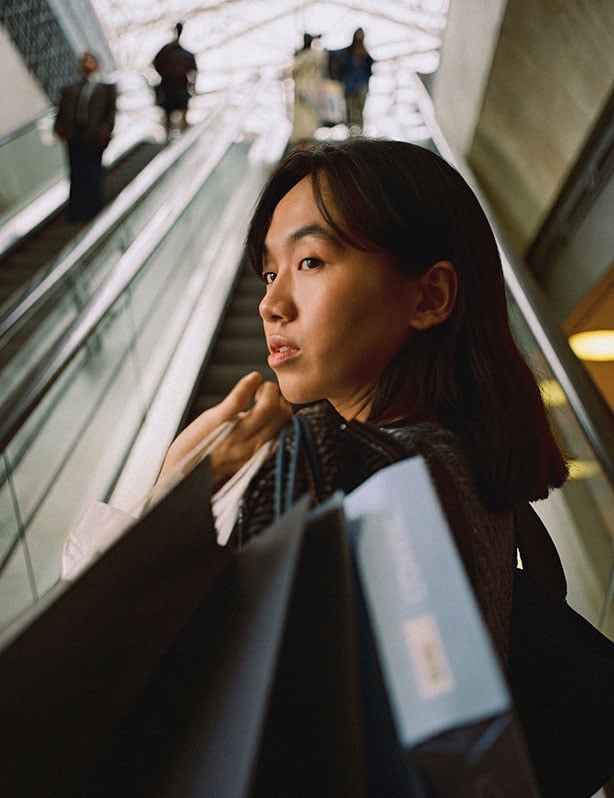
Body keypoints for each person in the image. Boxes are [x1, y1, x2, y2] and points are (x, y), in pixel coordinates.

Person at [158, 138, 568, 665]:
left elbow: (137, 698)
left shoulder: (338, 478)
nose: (270, 305)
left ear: (429, 297)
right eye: (268, 272)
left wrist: (170, 499)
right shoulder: (465, 471)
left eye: (310, 261)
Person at [54, 52, 116, 222]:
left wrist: (105, 130)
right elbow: (61, 112)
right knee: (76, 174)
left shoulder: (106, 88)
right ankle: (76, 212)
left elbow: (110, 112)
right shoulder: (71, 88)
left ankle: (93, 211)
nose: (86, 64)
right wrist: (60, 128)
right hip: (75, 136)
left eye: (90, 61)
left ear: (97, 64)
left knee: (93, 173)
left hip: (94, 137)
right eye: (84, 61)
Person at [153, 22, 197, 139]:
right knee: (175, 115)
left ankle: (174, 138)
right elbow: (193, 72)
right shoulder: (180, 53)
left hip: (172, 87)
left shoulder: (167, 52)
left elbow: (156, 63)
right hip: (174, 87)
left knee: (173, 115)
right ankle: (176, 137)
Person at [328, 28, 374, 133]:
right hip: (348, 86)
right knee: (349, 109)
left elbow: (369, 69)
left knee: (359, 108)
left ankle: (359, 130)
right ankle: (350, 130)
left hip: (361, 86)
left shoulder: (365, 54)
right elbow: (333, 56)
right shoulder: (346, 53)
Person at [289, 33, 327, 149]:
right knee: (310, 117)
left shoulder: (302, 57)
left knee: (302, 120)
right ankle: (307, 145)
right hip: (313, 90)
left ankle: (301, 145)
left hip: (301, 90)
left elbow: (293, 71)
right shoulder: (317, 56)